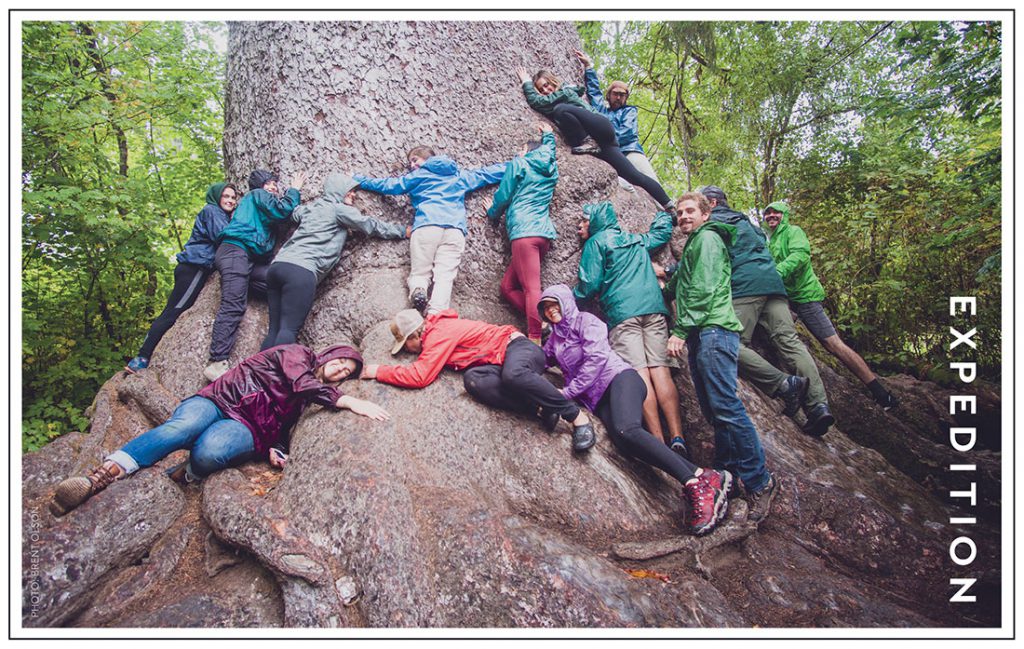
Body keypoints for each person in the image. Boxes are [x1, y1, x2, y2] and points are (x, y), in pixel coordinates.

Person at [51, 344, 388, 517]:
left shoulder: (305, 401)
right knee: (182, 428)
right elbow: (300, 382)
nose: (342, 370)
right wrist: (347, 401)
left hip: (245, 427)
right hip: (218, 400)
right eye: (343, 361)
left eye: (347, 373)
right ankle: (104, 474)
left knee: (210, 452)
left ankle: (187, 473)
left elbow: (284, 427)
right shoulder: (296, 354)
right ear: (331, 354)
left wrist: (277, 447)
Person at [538, 285, 730, 536]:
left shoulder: (587, 322)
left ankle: (695, 486)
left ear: (565, 302)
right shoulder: (555, 340)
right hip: (599, 399)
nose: (551, 310)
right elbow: (541, 359)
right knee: (626, 442)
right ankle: (705, 476)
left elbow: (596, 358)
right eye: (546, 308)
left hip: (620, 379)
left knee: (627, 429)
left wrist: (567, 393)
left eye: (555, 304)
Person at [664, 192, 778, 524]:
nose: (683, 216)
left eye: (690, 211)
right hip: (706, 335)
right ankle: (729, 476)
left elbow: (703, 288)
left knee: (726, 406)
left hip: (713, 330)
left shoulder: (709, 240)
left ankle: (760, 481)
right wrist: (658, 278)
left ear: (705, 215)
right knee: (716, 410)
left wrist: (680, 330)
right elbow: (680, 284)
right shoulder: (695, 246)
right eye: (680, 213)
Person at [697, 185, 833, 437]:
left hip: (747, 287)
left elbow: (708, 255)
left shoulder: (714, 222)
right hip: (774, 285)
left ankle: (784, 384)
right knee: (790, 343)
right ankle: (818, 406)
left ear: (712, 204)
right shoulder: (750, 224)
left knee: (729, 343)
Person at [360, 309, 597, 451]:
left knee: (513, 375)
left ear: (415, 334)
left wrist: (378, 371)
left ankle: (576, 417)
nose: (408, 351)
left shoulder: (437, 333)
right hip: (499, 364)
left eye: (406, 345)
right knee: (473, 380)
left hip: (518, 348)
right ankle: (540, 407)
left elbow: (420, 375)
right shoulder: (436, 332)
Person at [572, 201, 690, 457]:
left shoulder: (597, 243)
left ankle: (658, 441)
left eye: (583, 220)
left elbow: (589, 285)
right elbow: (659, 235)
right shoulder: (634, 240)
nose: (580, 226)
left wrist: (569, 300)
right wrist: (664, 214)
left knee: (639, 374)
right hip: (654, 308)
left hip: (623, 314)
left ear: (594, 222)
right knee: (661, 370)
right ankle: (678, 436)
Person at [763, 201, 899, 411]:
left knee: (834, 345)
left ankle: (881, 394)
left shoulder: (793, 232)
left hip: (806, 298)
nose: (771, 216)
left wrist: (775, 273)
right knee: (781, 337)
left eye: (776, 213)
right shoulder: (770, 240)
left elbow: (800, 256)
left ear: (785, 215)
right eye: (768, 213)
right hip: (787, 298)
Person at [261, 173, 409, 350]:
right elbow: (369, 224)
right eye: (350, 192)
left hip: (277, 267)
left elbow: (293, 213)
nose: (353, 196)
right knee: (288, 329)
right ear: (339, 192)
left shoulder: (312, 207)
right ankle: (277, 376)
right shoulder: (339, 209)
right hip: (301, 270)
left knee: (274, 330)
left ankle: (259, 374)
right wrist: (401, 231)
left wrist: (293, 191)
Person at [354, 148, 506, 316]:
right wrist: (517, 164)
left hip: (427, 225)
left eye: (415, 160)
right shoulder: (458, 176)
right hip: (454, 229)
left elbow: (390, 185)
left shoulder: (418, 176)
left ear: (427, 159)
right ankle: (437, 314)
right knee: (445, 276)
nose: (412, 165)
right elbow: (486, 174)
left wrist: (360, 180)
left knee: (420, 271)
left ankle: (419, 290)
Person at [514, 66, 674, 212]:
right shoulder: (556, 99)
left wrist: (527, 83)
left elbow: (536, 102)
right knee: (633, 176)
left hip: (601, 128)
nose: (547, 89)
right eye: (542, 88)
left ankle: (587, 141)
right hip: (604, 146)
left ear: (554, 81)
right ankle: (669, 206)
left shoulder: (564, 93)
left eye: (548, 84)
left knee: (559, 110)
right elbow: (594, 94)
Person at [204, 169, 307, 382]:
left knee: (275, 281)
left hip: (249, 259)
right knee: (233, 304)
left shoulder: (258, 205)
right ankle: (217, 361)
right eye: (268, 184)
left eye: (274, 185)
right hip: (235, 250)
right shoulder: (257, 196)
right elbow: (281, 210)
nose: (273, 188)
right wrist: (294, 191)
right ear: (259, 186)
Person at [126, 183, 239, 373]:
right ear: (216, 197)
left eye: (233, 197)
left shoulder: (219, 214)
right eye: (225, 196)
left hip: (194, 266)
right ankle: (141, 357)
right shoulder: (212, 211)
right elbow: (223, 236)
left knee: (173, 310)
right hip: (195, 267)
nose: (230, 200)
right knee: (173, 311)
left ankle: (143, 355)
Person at [484, 123, 559, 345]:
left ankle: (535, 338)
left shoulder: (520, 163)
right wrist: (548, 136)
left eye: (521, 148)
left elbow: (505, 193)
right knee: (507, 288)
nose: (518, 151)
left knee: (531, 288)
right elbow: (549, 151)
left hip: (524, 233)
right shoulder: (550, 169)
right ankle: (544, 323)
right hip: (541, 234)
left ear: (528, 150)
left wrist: (492, 213)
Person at [572, 49, 661, 191]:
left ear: (626, 97)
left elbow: (627, 132)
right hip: (609, 153)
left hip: (628, 150)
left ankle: (669, 210)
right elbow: (594, 92)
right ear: (609, 95)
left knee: (649, 179)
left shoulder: (629, 111)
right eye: (615, 94)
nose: (618, 97)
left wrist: (606, 143)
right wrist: (588, 66)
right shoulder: (601, 111)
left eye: (622, 95)